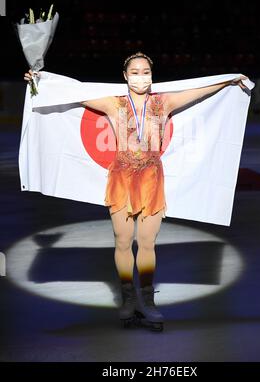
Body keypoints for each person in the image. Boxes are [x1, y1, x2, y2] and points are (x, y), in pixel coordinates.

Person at [24, 52, 248, 331]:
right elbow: (75, 92)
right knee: (122, 240)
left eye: (145, 72)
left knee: (146, 242)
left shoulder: (163, 103)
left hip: (152, 179)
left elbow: (197, 91)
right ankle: (128, 297)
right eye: (135, 72)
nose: (140, 77)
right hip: (121, 178)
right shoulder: (113, 103)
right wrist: (40, 81)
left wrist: (227, 81)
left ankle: (147, 300)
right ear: (125, 76)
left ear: (152, 76)